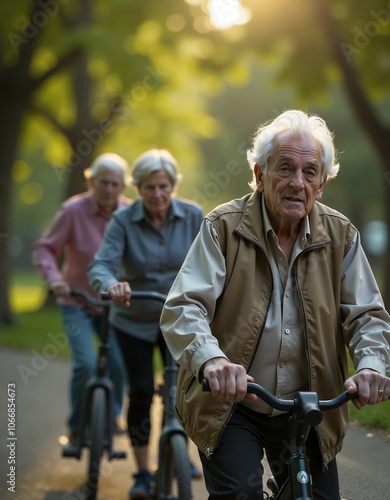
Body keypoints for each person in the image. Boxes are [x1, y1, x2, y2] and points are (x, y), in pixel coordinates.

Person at [159, 110, 390, 499]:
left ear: (322, 183)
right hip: (231, 405)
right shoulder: (223, 227)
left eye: (310, 171)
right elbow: (185, 306)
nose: (297, 183)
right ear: (260, 173)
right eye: (285, 168)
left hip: (309, 406)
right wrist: (211, 360)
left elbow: (367, 316)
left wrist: (371, 366)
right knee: (239, 494)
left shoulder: (341, 236)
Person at [87, 148, 204, 499]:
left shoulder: (194, 216)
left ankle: (179, 453)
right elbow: (100, 265)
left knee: (181, 391)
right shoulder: (123, 221)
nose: (158, 195)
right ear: (138, 188)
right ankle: (141, 472)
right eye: (150, 187)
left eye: (164, 186)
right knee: (140, 391)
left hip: (179, 320)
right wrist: (112, 284)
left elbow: (214, 262)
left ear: (173, 186)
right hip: (133, 320)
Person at [32, 153, 131, 446]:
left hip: (113, 306)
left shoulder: (130, 215)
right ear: (91, 181)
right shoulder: (72, 211)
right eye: (103, 183)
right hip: (76, 301)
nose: (109, 189)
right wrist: (55, 280)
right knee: (86, 365)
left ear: (124, 185)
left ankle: (111, 416)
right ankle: (76, 427)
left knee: (118, 364)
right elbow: (45, 248)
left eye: (115, 184)